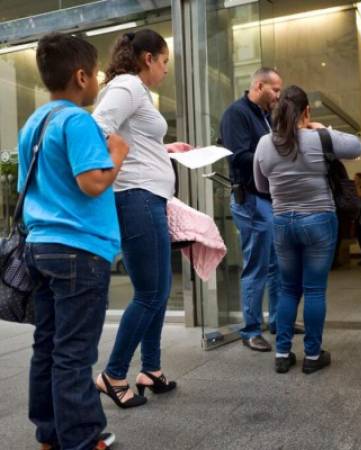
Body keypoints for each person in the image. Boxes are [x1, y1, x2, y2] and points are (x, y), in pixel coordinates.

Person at [21, 33, 128, 450]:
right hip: (78, 251)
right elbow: (92, 182)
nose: (100, 80)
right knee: (74, 352)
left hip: (41, 246)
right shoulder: (77, 120)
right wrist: (117, 152)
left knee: (46, 346)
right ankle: (83, 440)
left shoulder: (35, 122)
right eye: (98, 72)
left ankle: (49, 435)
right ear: (81, 76)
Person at [92, 29, 191, 408]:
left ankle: (150, 369)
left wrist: (163, 150)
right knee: (149, 294)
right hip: (137, 199)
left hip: (148, 198)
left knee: (159, 292)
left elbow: (129, 138)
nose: (166, 70)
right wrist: (103, 178)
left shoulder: (134, 90)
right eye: (165, 61)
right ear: (148, 58)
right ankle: (113, 374)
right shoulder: (128, 87)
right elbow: (97, 129)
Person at [254, 85, 361, 374]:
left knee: (288, 289)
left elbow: (261, 186)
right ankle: (313, 356)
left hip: (282, 222)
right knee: (314, 290)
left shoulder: (265, 143)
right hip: (318, 220)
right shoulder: (319, 138)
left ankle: (282, 352)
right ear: (306, 111)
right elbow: (357, 146)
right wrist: (321, 128)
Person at [220, 67, 297, 352]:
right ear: (259, 85)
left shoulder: (266, 117)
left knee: (278, 264)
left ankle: (278, 322)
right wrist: (276, 155)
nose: (279, 95)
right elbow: (239, 157)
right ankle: (250, 329)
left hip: (268, 199)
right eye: (275, 90)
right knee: (257, 266)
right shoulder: (236, 114)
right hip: (250, 200)